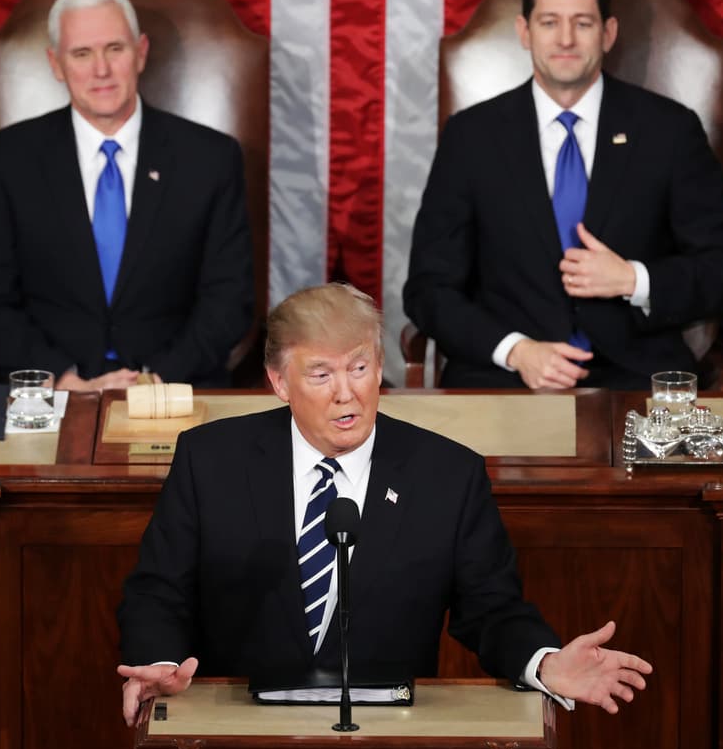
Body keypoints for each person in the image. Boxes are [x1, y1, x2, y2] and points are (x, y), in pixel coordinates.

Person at [116, 283, 651, 725]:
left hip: (389, 732)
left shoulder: (447, 474)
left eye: (360, 368)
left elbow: (493, 610)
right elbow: (157, 590)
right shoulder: (211, 459)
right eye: (321, 374)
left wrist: (545, 662)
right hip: (238, 725)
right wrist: (159, 664)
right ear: (280, 382)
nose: (345, 393)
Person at [402, 0, 723, 391]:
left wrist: (635, 279)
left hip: (635, 380)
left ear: (608, 34)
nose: (566, 39)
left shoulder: (669, 130)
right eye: (550, 22)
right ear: (524, 31)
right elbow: (428, 289)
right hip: (503, 380)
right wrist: (514, 349)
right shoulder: (471, 137)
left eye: (583, 23)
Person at [0, 0, 254, 390]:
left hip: (174, 389)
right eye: (82, 53)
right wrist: (61, 380)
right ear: (56, 64)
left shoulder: (210, 158)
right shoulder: (6, 160)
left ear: (141, 53)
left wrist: (154, 381)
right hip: (47, 392)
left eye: (115, 49)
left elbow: (229, 301)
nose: (101, 69)